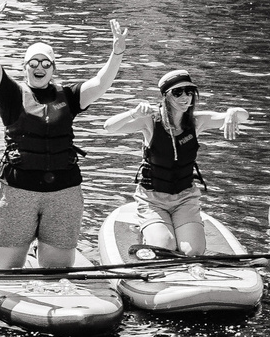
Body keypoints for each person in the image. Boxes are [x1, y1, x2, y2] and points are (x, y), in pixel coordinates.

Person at [0, 6, 129, 270]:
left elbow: (101, 83)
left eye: (46, 63)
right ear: (24, 67)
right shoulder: (11, 94)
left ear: (53, 68)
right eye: (33, 63)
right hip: (18, 191)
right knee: (5, 269)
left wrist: (117, 52)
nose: (39, 68)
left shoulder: (68, 96)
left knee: (57, 272)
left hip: (63, 192)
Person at [99, 68, 253, 257]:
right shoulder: (150, 121)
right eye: (177, 92)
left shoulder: (197, 122)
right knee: (165, 247)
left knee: (193, 252)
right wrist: (133, 113)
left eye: (189, 92)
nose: (185, 97)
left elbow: (244, 116)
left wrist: (232, 112)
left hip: (185, 198)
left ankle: (180, 227)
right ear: (165, 96)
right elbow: (109, 127)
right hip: (152, 199)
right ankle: (148, 229)